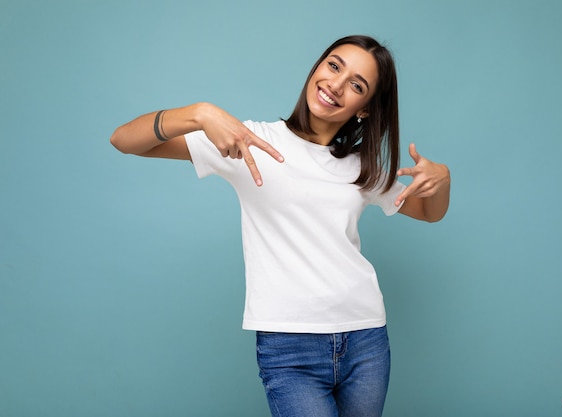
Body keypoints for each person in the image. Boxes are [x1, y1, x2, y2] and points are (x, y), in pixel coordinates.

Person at [111, 35, 450, 417]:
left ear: (366, 110)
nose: (336, 85)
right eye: (334, 66)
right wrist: (199, 113)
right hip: (289, 346)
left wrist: (443, 179)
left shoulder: (360, 168)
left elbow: (429, 212)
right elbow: (124, 140)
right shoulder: (248, 141)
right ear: (317, 67)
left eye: (357, 85)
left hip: (366, 339)